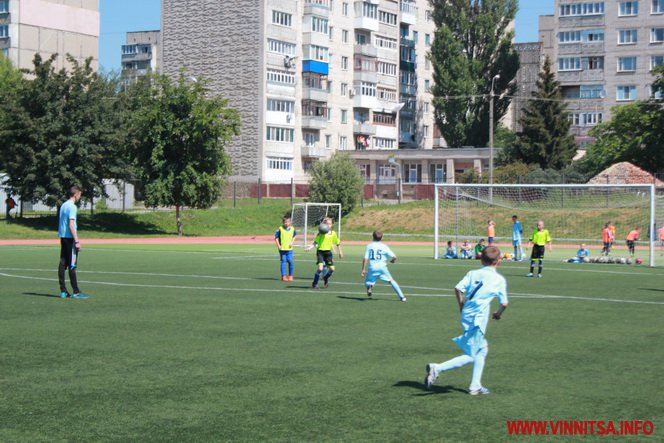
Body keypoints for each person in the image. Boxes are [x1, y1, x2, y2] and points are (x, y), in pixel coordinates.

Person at [425, 245, 508, 395]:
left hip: (467, 314)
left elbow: (457, 289)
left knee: (481, 350)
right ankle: (437, 368)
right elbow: (504, 303)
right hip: (477, 319)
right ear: (499, 261)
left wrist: (461, 305)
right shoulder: (498, 279)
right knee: (472, 354)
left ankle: (475, 386)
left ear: (481, 260)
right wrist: (498, 314)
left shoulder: (472, 273)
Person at [58, 186, 89, 299]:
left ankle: (63, 291)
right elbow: (71, 224)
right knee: (72, 265)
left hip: (63, 237)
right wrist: (77, 241)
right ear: (76, 194)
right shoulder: (72, 207)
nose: (80, 197)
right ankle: (76, 292)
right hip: (70, 239)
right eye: (80, 194)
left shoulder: (63, 205)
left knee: (62, 263)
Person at [360, 230, 406, 302]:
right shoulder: (384, 246)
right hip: (382, 268)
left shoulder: (369, 246)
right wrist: (393, 260)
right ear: (382, 238)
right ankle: (402, 297)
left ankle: (370, 286)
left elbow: (365, 258)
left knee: (367, 282)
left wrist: (363, 269)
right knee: (391, 281)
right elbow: (394, 256)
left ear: (372, 237)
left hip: (372, 268)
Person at [305, 217, 343, 289]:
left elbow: (338, 243)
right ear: (324, 224)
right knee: (320, 269)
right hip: (320, 252)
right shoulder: (320, 233)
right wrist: (310, 247)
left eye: (329, 224)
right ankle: (315, 283)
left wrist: (340, 251)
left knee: (332, 269)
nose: (328, 225)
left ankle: (325, 278)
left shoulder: (333, 233)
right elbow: (315, 243)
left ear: (332, 225)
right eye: (326, 224)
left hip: (328, 253)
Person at [275, 216, 296, 281]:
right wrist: (278, 246)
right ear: (283, 222)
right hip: (282, 249)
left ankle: (290, 275)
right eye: (285, 222)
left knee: (290, 261)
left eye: (287, 222)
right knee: (283, 261)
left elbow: (294, 236)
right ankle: (283, 276)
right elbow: (276, 238)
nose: (286, 223)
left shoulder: (292, 229)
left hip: (289, 249)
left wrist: (292, 242)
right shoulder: (280, 229)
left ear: (290, 222)